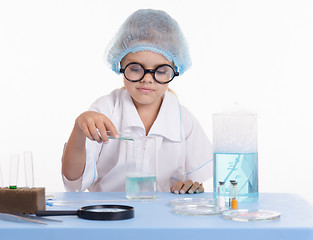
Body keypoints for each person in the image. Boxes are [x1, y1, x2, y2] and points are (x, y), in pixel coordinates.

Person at [61, 9, 213, 194]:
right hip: (110, 214)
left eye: (161, 71)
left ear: (175, 70)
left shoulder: (184, 121)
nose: (147, 79)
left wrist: (191, 187)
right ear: (120, 65)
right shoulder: (105, 110)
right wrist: (79, 129)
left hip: (165, 218)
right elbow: (73, 181)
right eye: (135, 68)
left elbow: (195, 182)